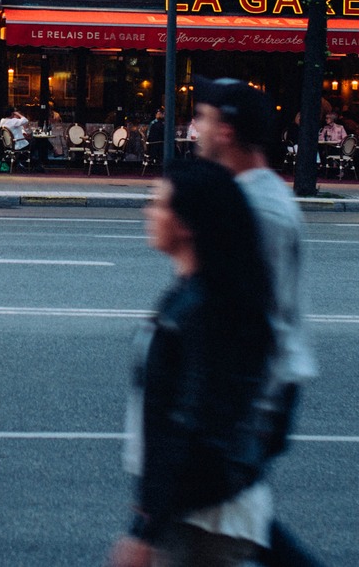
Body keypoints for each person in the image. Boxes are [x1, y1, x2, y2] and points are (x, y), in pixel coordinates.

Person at [109, 158, 276, 567]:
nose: (149, 212)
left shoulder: (202, 309)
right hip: (191, 512)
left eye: (159, 204)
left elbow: (192, 425)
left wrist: (145, 528)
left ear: (186, 223)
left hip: (202, 523)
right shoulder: (192, 296)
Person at [188, 77, 325, 567]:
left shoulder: (259, 209)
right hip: (254, 392)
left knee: (225, 520)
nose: (193, 128)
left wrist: (228, 410)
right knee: (233, 519)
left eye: (201, 117)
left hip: (254, 396)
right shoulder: (248, 196)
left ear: (225, 131)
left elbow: (251, 320)